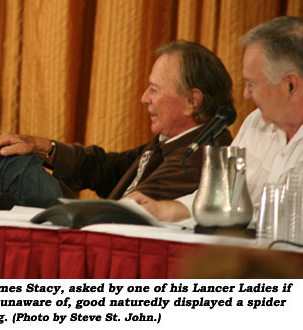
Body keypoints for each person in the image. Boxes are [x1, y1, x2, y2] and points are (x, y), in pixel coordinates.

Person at [0, 40, 233, 202]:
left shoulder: (203, 153)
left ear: (192, 101)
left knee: (13, 171)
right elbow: (105, 169)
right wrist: (40, 146)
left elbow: (133, 208)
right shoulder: (170, 143)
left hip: (104, 234)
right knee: (12, 163)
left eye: (154, 89)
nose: (144, 99)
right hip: (101, 225)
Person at [127, 16, 303, 222]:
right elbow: (222, 199)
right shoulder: (255, 123)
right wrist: (163, 210)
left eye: (252, 84)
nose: (246, 94)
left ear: (290, 85)